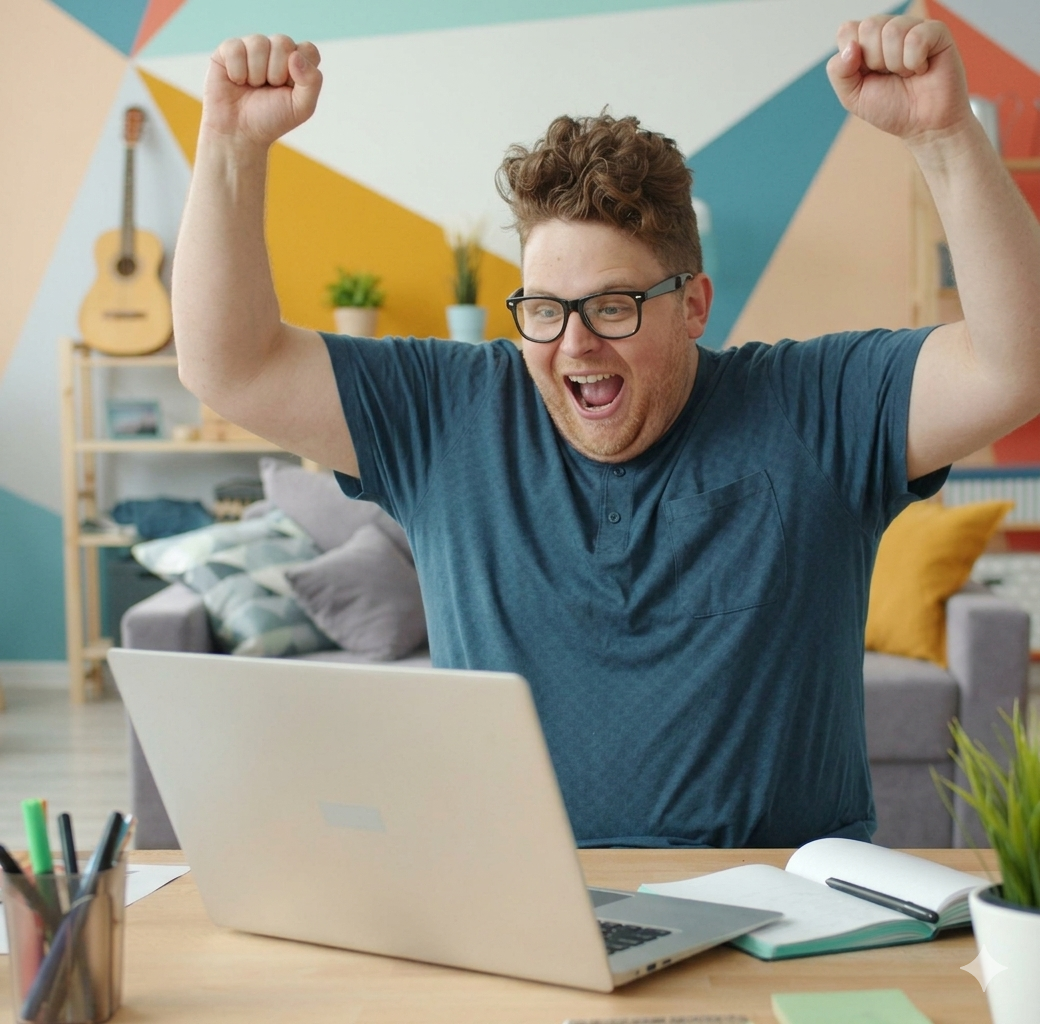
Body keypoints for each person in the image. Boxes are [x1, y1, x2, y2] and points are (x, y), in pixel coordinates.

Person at [173, 17, 1040, 847]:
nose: (574, 344)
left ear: (693, 304)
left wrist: (944, 137)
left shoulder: (818, 404)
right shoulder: (444, 411)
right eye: (545, 309)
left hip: (781, 906)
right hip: (520, 904)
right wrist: (230, 147)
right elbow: (231, 365)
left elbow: (1017, 365)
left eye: (613, 306)